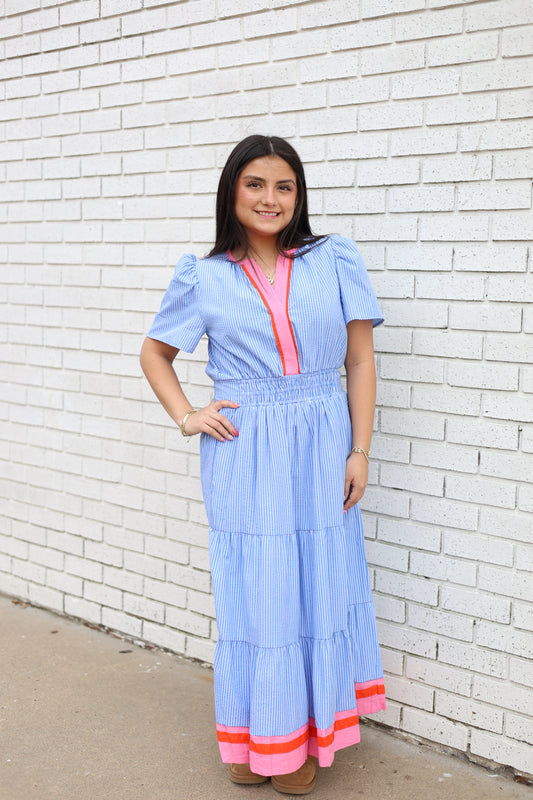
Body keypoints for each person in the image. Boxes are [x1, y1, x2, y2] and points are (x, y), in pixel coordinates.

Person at [140, 134, 386, 796]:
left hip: (320, 438)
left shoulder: (333, 259)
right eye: (255, 184)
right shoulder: (204, 273)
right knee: (257, 595)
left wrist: (358, 449)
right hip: (244, 450)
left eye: (283, 186)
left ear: (297, 195)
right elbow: (154, 353)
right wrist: (187, 414)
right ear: (232, 190)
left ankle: (303, 737)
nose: (270, 198)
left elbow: (358, 360)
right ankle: (257, 736)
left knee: (315, 586)